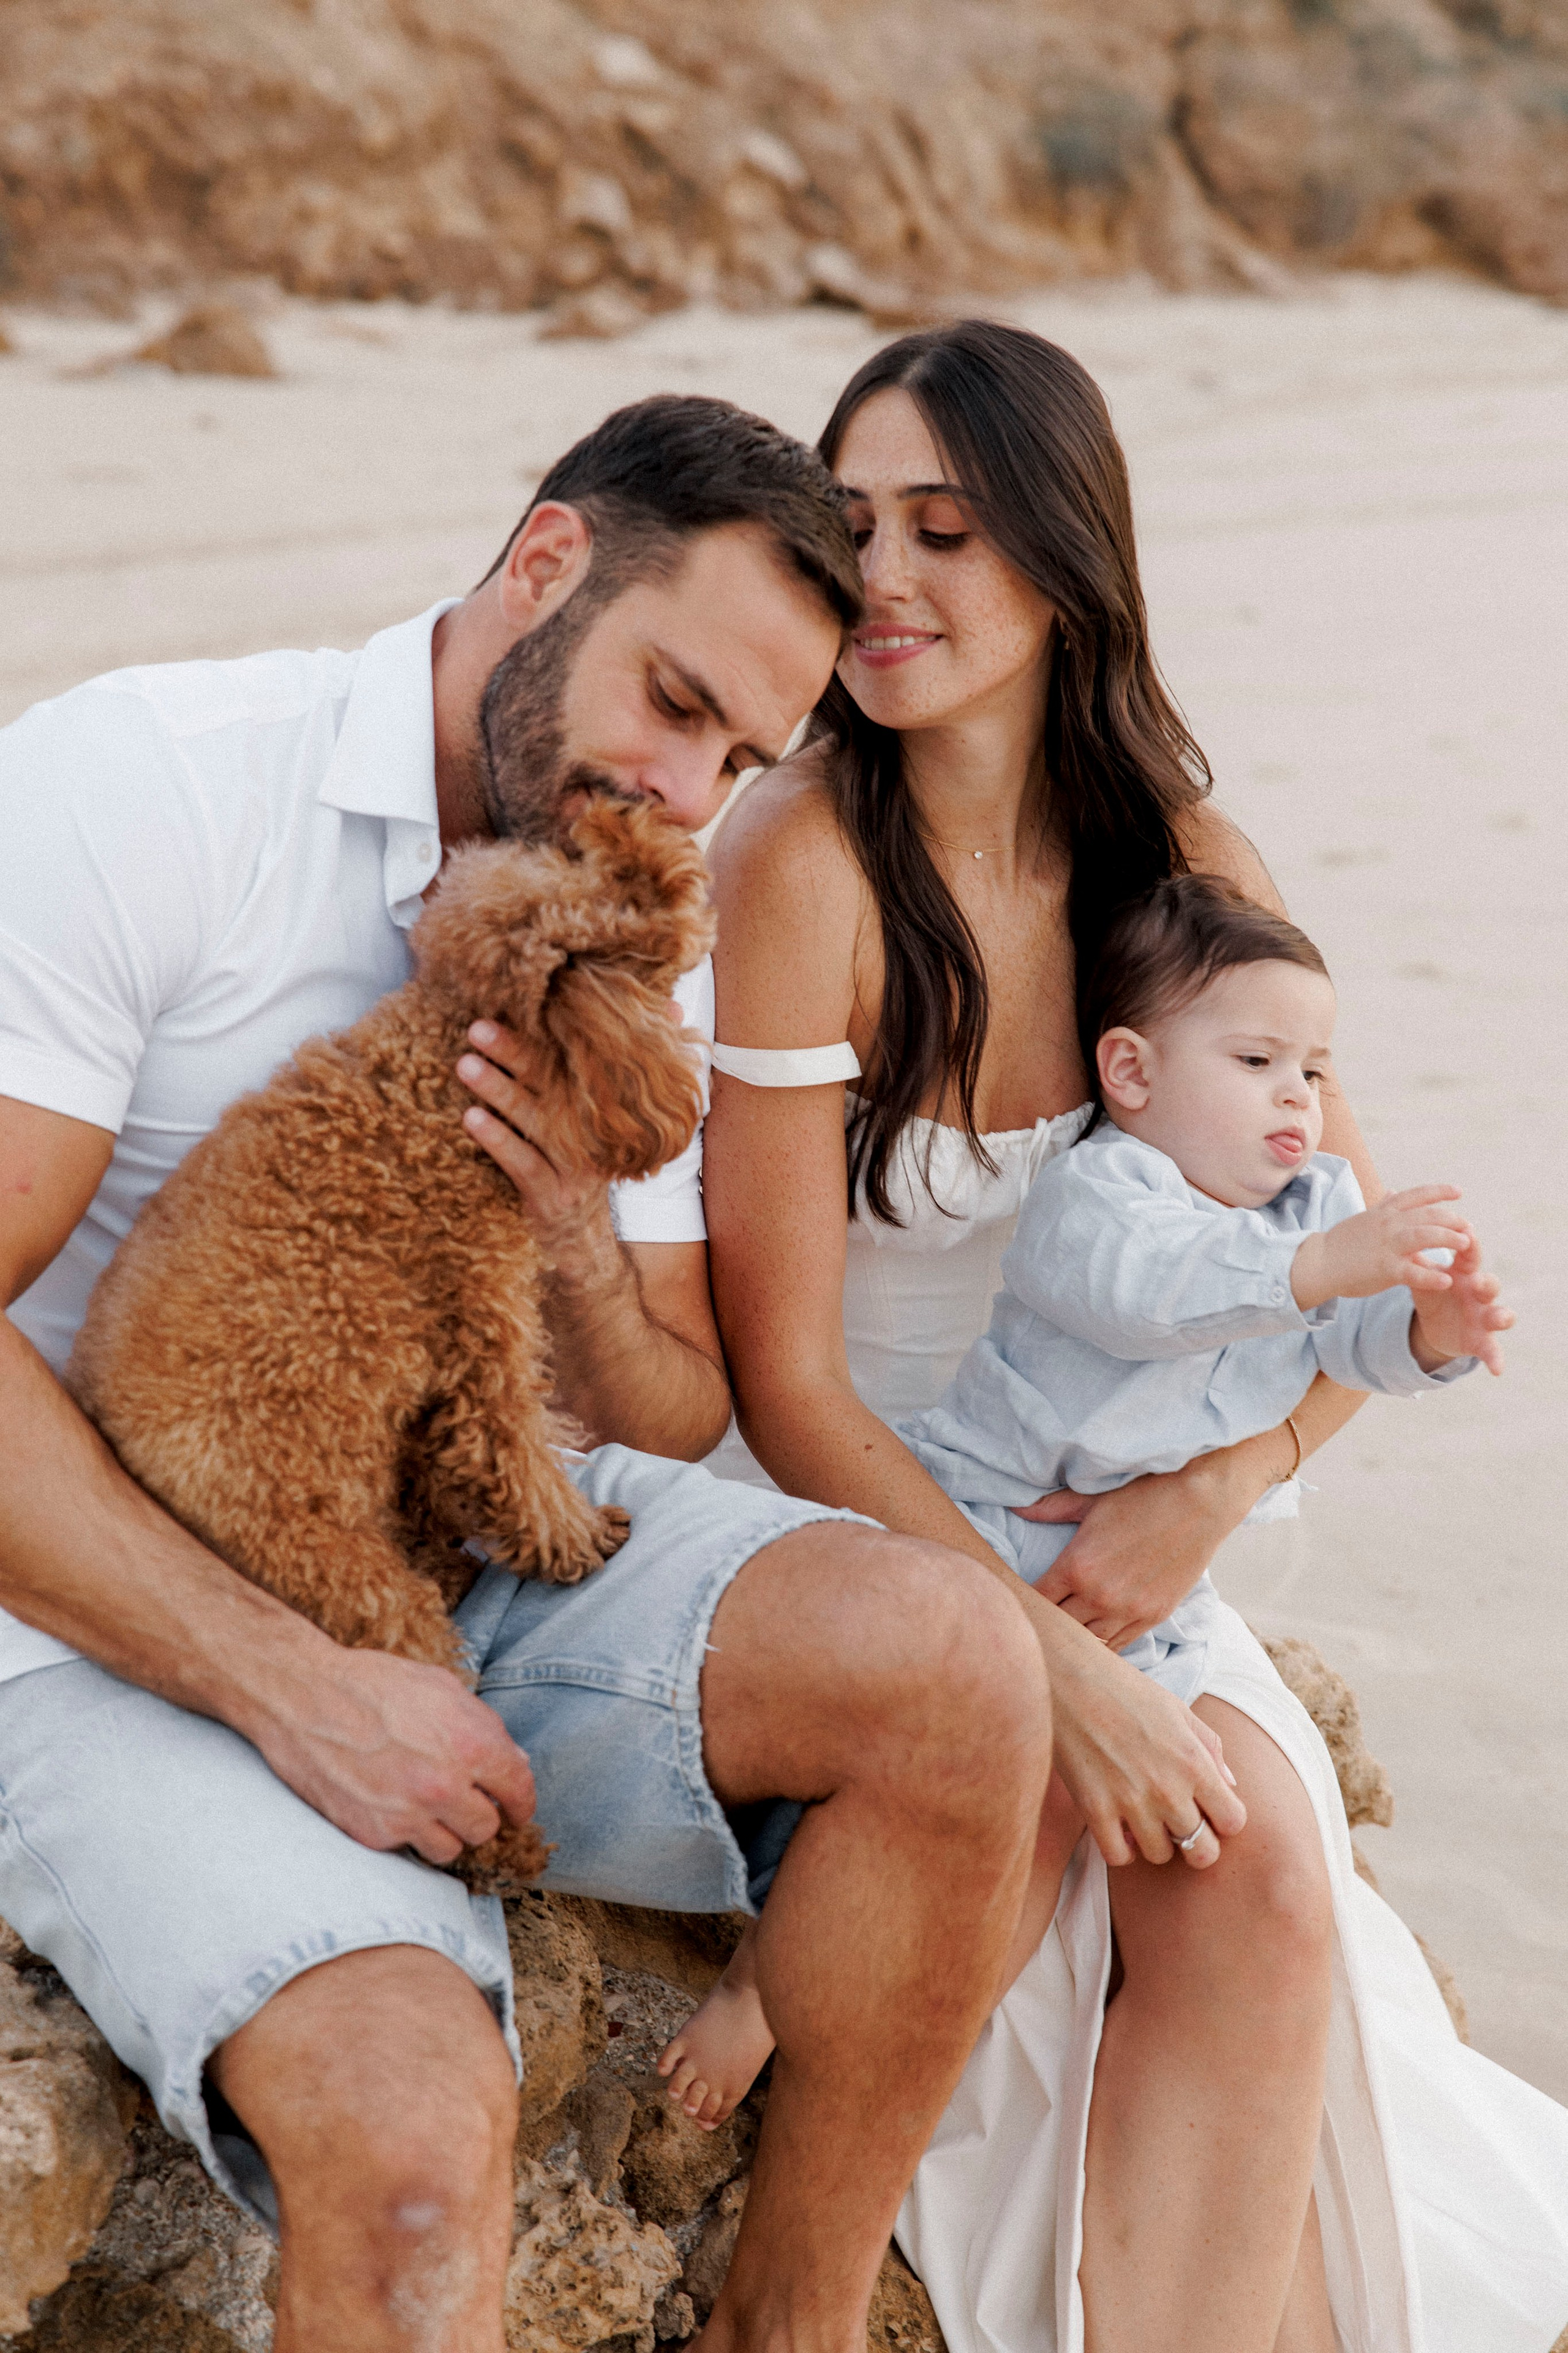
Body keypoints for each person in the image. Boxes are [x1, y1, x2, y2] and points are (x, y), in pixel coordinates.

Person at [0, 394, 1058, 2353]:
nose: (684, 790)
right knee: (411, 2155)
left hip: (465, 1540)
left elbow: (664, 1414)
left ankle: (791, 2327)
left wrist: (569, 1218)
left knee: (964, 1669)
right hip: (92, 1601)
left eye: (743, 756)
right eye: (671, 702)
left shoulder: (639, 890)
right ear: (545, 565)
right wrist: (296, 1683)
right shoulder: (146, 786)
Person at [699, 323, 1568, 2353]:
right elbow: (782, 1376)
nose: (885, 582)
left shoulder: (1181, 872)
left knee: (1256, 1861)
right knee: (1100, 1795)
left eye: (947, 529)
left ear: (1069, 561)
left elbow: (1346, 1272)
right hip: (856, 1510)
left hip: (1114, 1529)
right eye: (853, 531)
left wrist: (1213, 1494)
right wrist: (1030, 1669)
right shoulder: (802, 858)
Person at [659, 872, 1514, 2131]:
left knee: (1054, 1822)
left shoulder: (1310, 1207)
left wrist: (1429, 1331)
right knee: (967, 1776)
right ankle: (761, 1989)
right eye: (1257, 1058)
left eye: (1315, 1069)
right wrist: (1318, 1267)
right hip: (990, 1526)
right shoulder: (1099, 1196)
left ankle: (928, 2044)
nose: (1298, 1095)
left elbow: (1350, 1349)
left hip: (1150, 1587)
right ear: (1129, 1072)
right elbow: (1155, 1296)